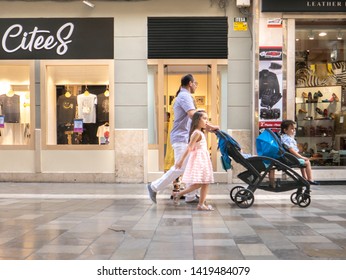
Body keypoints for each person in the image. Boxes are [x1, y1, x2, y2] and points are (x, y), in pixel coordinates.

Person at [147, 74, 217, 203]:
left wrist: (207, 127)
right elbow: (193, 115)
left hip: (184, 136)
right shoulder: (184, 96)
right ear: (190, 83)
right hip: (181, 137)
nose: (196, 86)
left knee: (189, 166)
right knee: (180, 167)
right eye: (195, 83)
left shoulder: (184, 96)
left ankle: (190, 196)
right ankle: (153, 187)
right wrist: (209, 126)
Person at [173, 110, 215, 211]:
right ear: (197, 120)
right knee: (201, 183)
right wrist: (181, 161)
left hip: (203, 158)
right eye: (204, 118)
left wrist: (210, 126)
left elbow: (212, 128)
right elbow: (189, 147)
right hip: (200, 160)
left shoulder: (199, 132)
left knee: (205, 182)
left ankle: (200, 204)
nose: (206, 121)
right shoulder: (197, 133)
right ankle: (179, 194)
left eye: (207, 119)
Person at [280, 120, 319, 185]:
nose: (294, 130)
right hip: (291, 159)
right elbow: (291, 150)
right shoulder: (287, 139)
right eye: (292, 129)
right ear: (285, 130)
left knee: (303, 163)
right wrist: (301, 156)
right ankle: (310, 179)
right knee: (307, 162)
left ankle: (304, 178)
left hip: (290, 158)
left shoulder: (284, 137)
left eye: (294, 128)